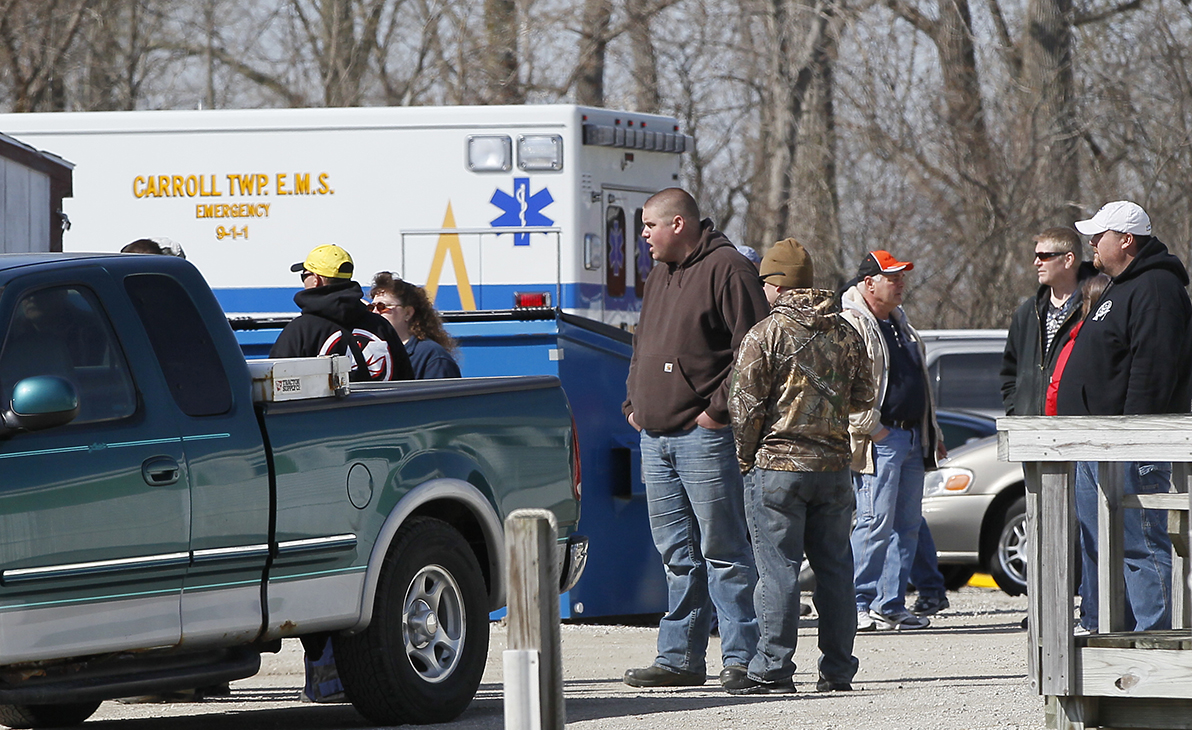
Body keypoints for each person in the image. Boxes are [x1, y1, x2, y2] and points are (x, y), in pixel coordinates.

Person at [621, 188, 769, 689]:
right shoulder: (658, 275)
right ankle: (679, 658)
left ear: (678, 224)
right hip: (655, 437)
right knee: (676, 555)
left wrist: (716, 412)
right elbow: (641, 346)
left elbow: (754, 351)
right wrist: (633, 404)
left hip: (704, 438)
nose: (644, 236)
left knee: (723, 550)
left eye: (650, 226)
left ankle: (742, 658)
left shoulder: (729, 269)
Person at [726, 238, 875, 694]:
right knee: (835, 571)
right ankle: (837, 671)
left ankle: (773, 668)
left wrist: (746, 456)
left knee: (778, 571)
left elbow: (744, 407)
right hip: (833, 468)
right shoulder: (846, 331)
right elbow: (864, 396)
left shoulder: (765, 334)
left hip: (777, 467)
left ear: (775, 284)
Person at [1056, 201, 1192, 633]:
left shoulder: (1156, 287)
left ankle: (1156, 640)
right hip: (1096, 443)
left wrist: (1133, 436)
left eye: (1100, 236)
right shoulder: (1122, 285)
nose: (1092, 244)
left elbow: (1154, 369)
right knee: (1102, 544)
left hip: (1131, 444)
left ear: (1127, 240)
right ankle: (1109, 633)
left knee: (1141, 543)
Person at [840, 251, 946, 632]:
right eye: (892, 277)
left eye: (902, 277)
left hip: (913, 436)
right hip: (880, 439)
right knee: (874, 522)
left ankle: (890, 604)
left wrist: (933, 432)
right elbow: (844, 386)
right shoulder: (852, 324)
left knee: (907, 525)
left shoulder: (900, 324)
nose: (900, 284)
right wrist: (873, 428)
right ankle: (856, 604)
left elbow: (919, 383)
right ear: (869, 283)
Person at [270, 244, 414, 382]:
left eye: (305, 276)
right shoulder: (381, 326)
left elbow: (276, 383)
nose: (303, 281)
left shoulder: (300, 330)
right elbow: (406, 382)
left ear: (316, 280)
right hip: (381, 400)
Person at [1000, 226, 1096, 417]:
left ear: (1068, 259)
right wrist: (1015, 411)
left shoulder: (1095, 307)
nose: (1036, 263)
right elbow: (1010, 372)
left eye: (1044, 256)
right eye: (1036, 256)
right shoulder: (1027, 312)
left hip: (1075, 425)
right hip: (1029, 426)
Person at [368, 272, 461, 379]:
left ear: (408, 313)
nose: (374, 312)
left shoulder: (433, 357)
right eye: (371, 308)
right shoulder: (372, 353)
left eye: (382, 307)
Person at [1045, 273, 1111, 416]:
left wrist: (1053, 422)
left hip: (1074, 421)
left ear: (1086, 303)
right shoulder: (1122, 339)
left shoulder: (1075, 342)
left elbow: (1055, 390)